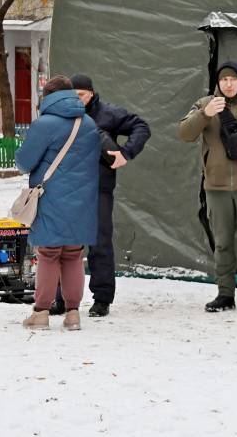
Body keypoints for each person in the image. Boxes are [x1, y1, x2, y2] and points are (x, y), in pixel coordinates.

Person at [50, 74, 151, 319]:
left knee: (100, 243)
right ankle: (61, 299)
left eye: (81, 96)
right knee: (65, 245)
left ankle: (102, 300)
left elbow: (142, 127)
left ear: (92, 94)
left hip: (98, 188)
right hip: (67, 190)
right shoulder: (60, 115)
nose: (76, 101)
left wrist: (126, 153)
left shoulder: (108, 113)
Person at [178, 61, 237, 313]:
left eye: (232, 79)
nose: (228, 84)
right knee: (222, 243)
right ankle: (225, 294)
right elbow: (185, 133)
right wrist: (205, 113)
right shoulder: (204, 104)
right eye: (223, 80)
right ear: (218, 83)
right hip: (216, 186)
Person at [15, 75, 102, 331]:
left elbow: (24, 163)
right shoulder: (87, 123)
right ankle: (73, 314)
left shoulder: (45, 124)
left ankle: (41, 313)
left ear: (48, 97)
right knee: (73, 254)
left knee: (49, 254)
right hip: (82, 200)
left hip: (51, 198)